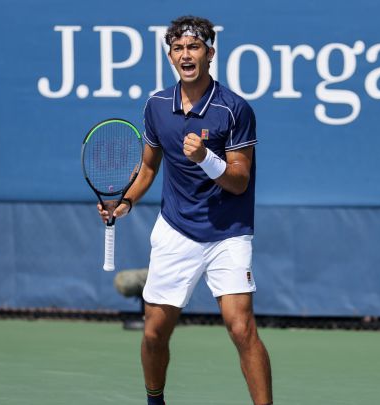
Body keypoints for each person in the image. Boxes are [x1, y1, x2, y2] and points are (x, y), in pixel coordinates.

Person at [97, 16, 273, 405]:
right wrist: (125, 201)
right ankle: (155, 402)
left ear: (210, 54)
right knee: (154, 333)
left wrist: (205, 158)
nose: (185, 55)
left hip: (229, 233)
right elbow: (147, 168)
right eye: (178, 49)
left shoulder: (234, 109)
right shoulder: (157, 105)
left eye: (194, 48)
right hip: (177, 230)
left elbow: (240, 180)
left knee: (241, 328)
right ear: (171, 56)